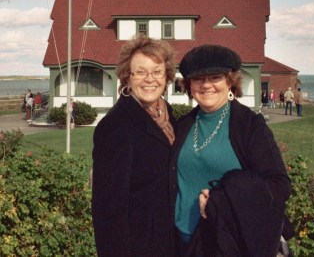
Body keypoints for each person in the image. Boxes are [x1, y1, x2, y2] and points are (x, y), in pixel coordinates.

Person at [171, 44, 292, 257]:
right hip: (182, 241)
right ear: (189, 85)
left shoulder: (249, 126)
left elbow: (279, 185)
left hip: (226, 244)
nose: (206, 85)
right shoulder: (183, 125)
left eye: (215, 77)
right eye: (198, 79)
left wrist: (222, 198)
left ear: (230, 81)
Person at [92, 36, 177, 257]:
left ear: (166, 76)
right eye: (140, 72)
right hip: (139, 247)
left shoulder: (169, 116)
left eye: (157, 71)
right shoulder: (116, 126)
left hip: (172, 242)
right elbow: (108, 209)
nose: (150, 79)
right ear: (127, 78)